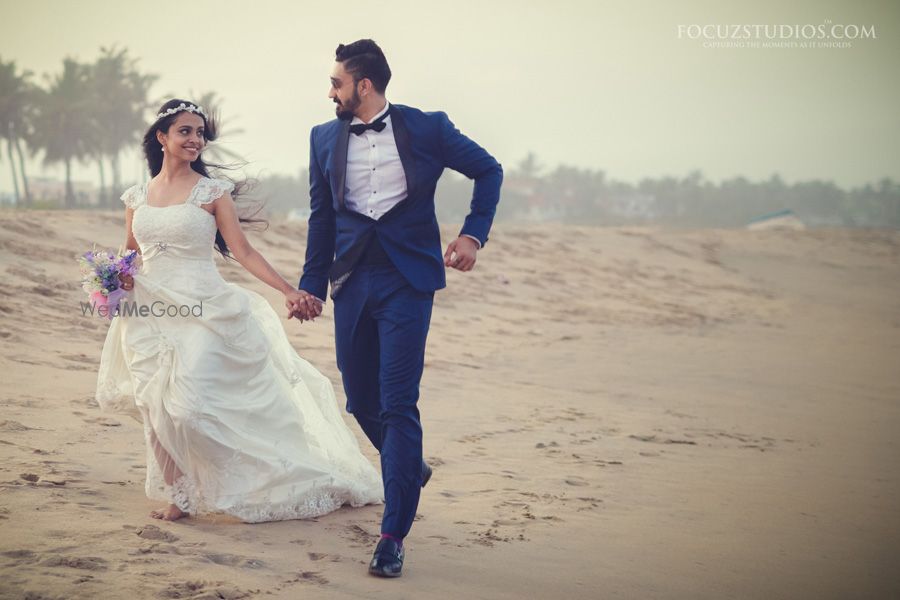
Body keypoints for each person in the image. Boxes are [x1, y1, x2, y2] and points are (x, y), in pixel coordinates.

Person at [95, 98, 383, 523]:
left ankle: (262, 474)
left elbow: (243, 250)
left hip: (203, 309)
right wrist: (109, 284)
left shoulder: (212, 193)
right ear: (162, 137)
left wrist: (288, 289)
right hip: (148, 311)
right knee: (154, 403)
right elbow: (131, 254)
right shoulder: (137, 197)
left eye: (200, 133)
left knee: (189, 405)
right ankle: (181, 498)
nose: (196, 140)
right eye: (185, 131)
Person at [288, 40, 503, 577]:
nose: (329, 91)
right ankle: (409, 465)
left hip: (409, 282)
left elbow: (489, 170)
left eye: (336, 82)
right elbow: (322, 219)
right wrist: (312, 285)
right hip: (353, 282)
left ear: (363, 85)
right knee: (360, 399)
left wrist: (473, 235)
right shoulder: (322, 138)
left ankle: (392, 535)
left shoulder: (427, 127)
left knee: (398, 403)